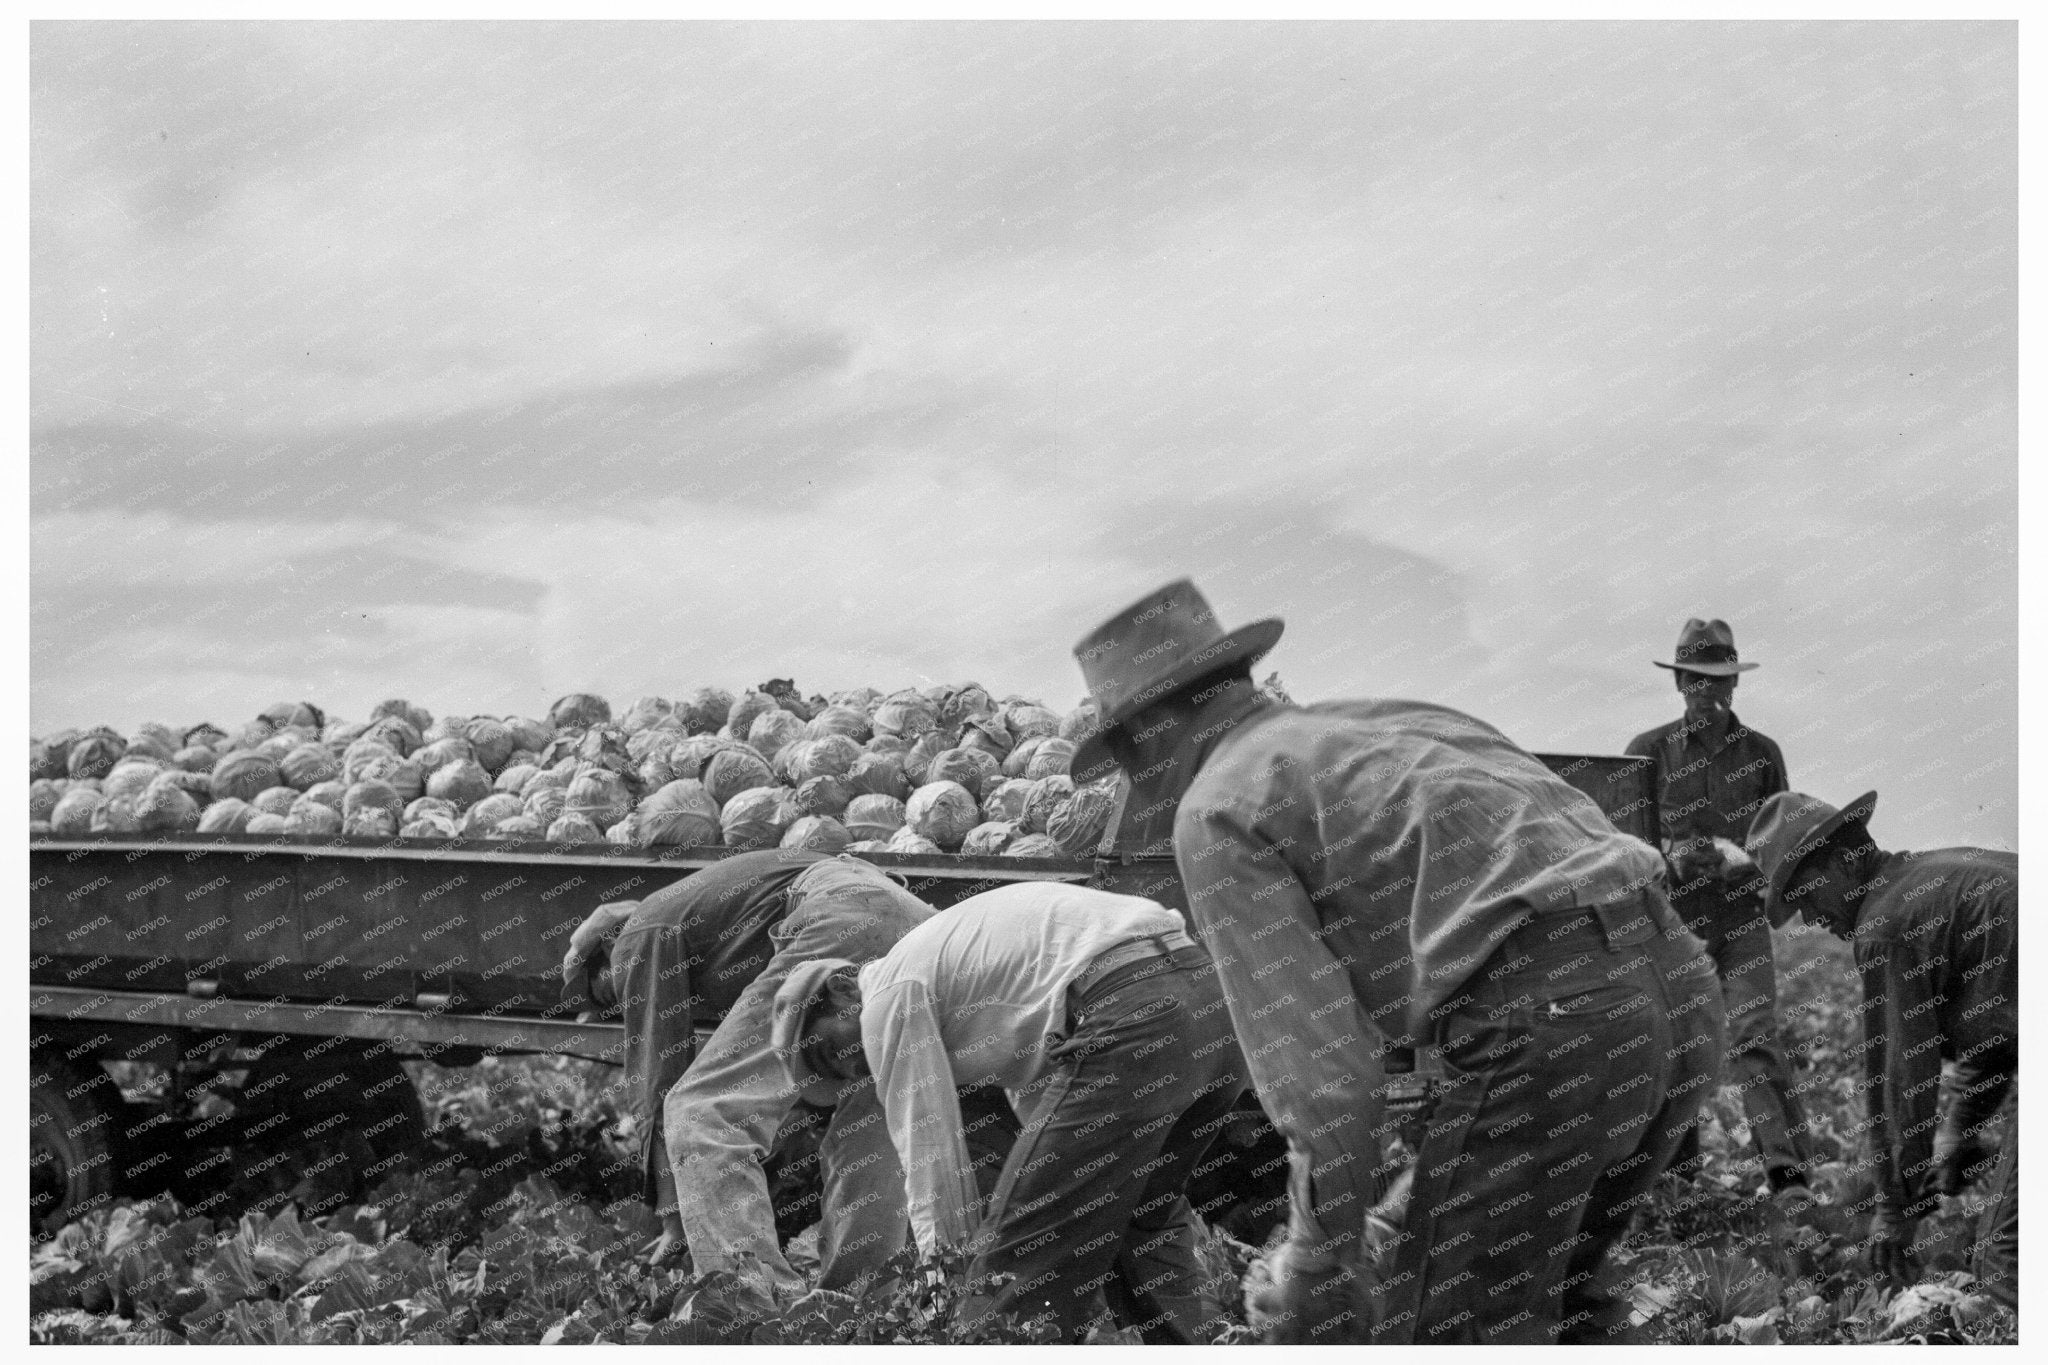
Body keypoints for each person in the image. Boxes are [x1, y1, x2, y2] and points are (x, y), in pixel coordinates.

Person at [1064, 578, 1728, 1345]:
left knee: (1451, 1331)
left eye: (1121, 750)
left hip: (1555, 1020)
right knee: (1566, 1301)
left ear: (1146, 733)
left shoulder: (1216, 807)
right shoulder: (1388, 721)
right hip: (1678, 984)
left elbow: (1326, 1080)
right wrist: (1387, 1225)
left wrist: (1318, 1266)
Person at [772, 880, 1247, 1344]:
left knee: (1026, 1244)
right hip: (1208, 1001)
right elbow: (1047, 1120)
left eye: (832, 1051)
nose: (856, 1069)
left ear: (841, 988)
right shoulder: (975, 988)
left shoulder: (887, 992)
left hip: (1133, 1006)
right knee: (1143, 1221)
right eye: (845, 1076)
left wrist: (946, 1301)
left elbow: (930, 1163)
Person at [560, 849, 953, 1302]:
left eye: (602, 990)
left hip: (844, 919)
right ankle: (857, 1309)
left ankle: (760, 1313)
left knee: (704, 1114)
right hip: (920, 928)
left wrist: (674, 1213)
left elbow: (658, 1075)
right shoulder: (697, 905)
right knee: (871, 1129)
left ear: (607, 949)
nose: (615, 1003)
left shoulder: (639, 931)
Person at [1746, 790, 2016, 1307]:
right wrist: (1960, 1132)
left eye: (1804, 895)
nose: (1808, 916)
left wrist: (1894, 1209)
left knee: (2005, 1259)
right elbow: (1999, 1031)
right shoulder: (1931, 878)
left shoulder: (1887, 928)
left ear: (1844, 862)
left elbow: (1901, 1080)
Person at [1625, 618, 1817, 1198]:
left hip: (1739, 919)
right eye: (1695, 680)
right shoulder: (1647, 751)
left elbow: (1782, 840)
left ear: (1735, 685)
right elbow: (1628, 844)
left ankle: (1787, 1174)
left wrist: (1741, 859)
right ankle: (1675, 1178)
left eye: (1718, 681)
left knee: (1753, 1033)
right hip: (1672, 922)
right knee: (1679, 1043)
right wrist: (1671, 856)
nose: (1706, 691)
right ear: (1679, 681)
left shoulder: (1762, 755)